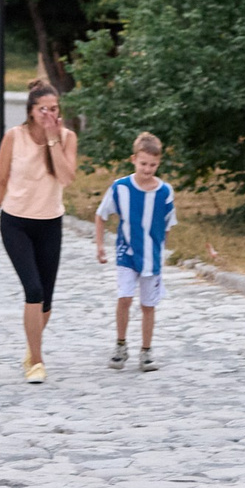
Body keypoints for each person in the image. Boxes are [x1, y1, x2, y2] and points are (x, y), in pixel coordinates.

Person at [0, 80, 77, 384]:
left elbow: (66, 178)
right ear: (30, 110)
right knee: (33, 290)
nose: (48, 114)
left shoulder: (66, 137)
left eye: (53, 109)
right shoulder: (14, 137)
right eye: (42, 109)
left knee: (46, 300)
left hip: (50, 222)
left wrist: (53, 140)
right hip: (16, 222)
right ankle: (36, 361)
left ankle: (31, 345)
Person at [93, 132, 176, 371]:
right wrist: (100, 245)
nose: (147, 169)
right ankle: (120, 345)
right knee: (125, 297)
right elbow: (101, 215)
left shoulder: (164, 192)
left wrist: (161, 251)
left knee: (148, 305)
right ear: (133, 160)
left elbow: (168, 224)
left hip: (151, 256)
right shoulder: (120, 188)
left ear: (158, 163)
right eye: (143, 164)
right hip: (126, 252)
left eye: (153, 165)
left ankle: (146, 351)